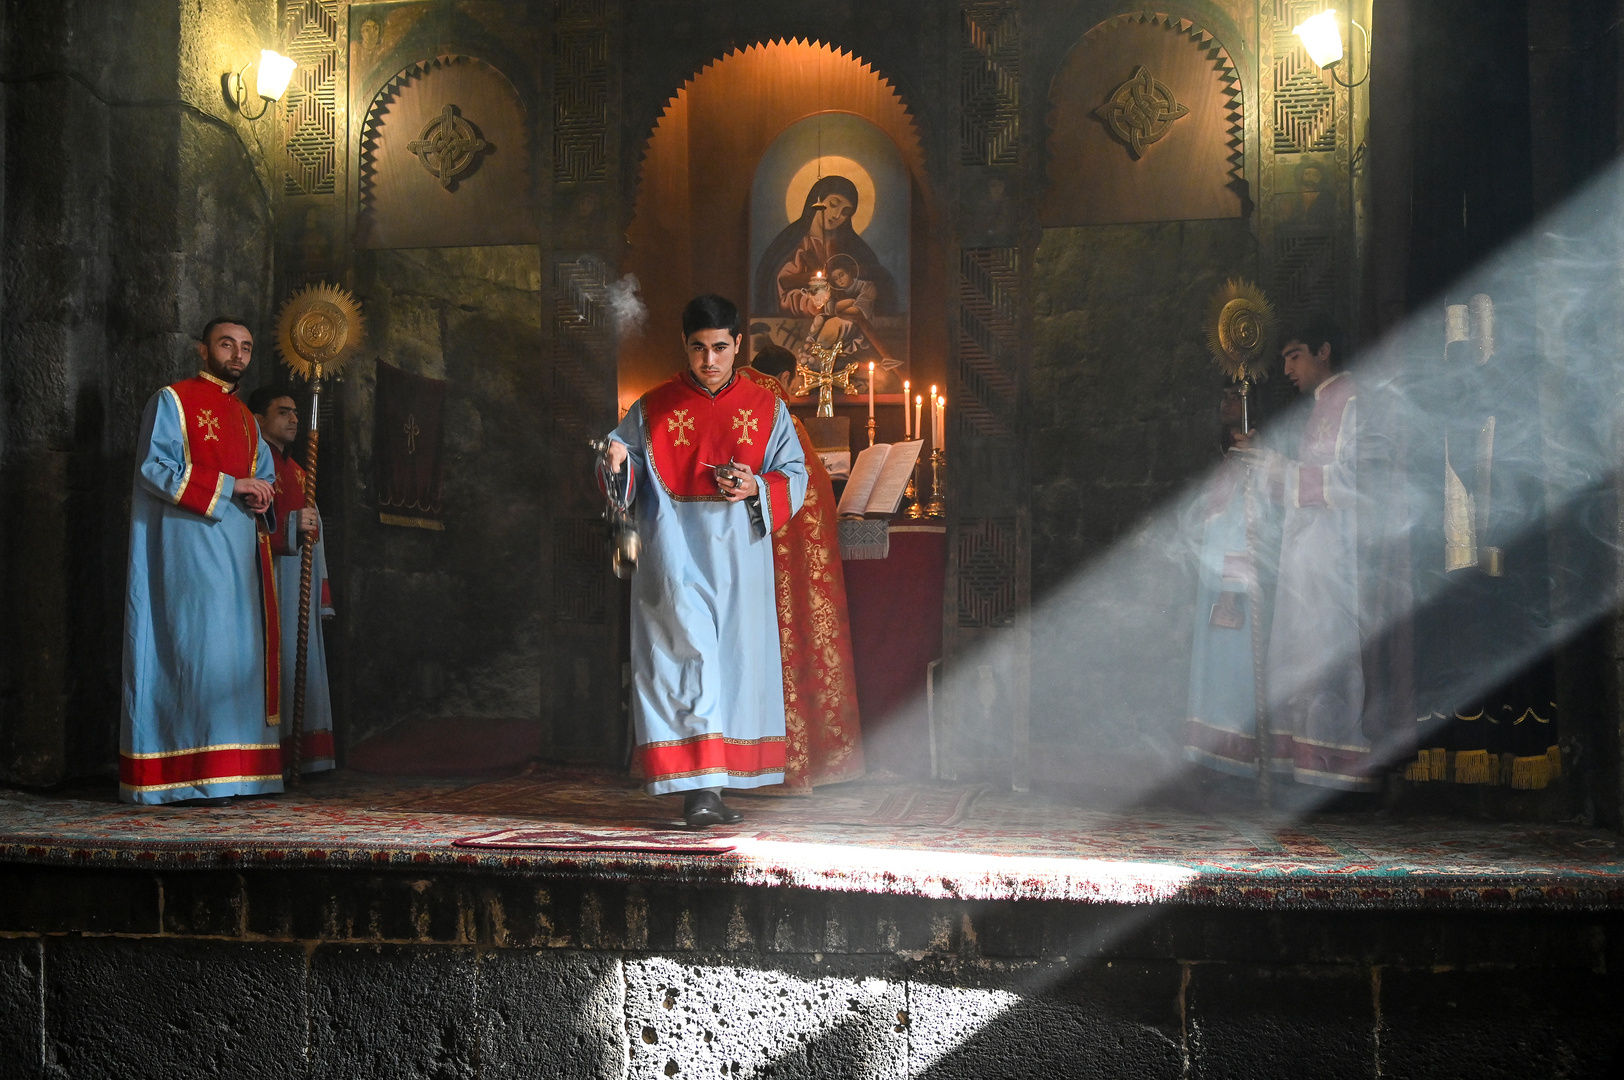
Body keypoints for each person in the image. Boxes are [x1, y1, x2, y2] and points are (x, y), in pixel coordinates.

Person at [601, 295, 809, 826]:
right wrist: (618, 461)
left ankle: (717, 786)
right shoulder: (651, 407)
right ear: (685, 347)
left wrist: (757, 484)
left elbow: (796, 472)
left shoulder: (768, 406)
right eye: (698, 349)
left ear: (739, 344)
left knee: (733, 667)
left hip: (740, 556)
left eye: (720, 348)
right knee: (686, 661)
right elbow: (621, 480)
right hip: (674, 554)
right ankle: (700, 792)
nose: (710, 360)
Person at [121, 317, 283, 805]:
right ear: (202, 349)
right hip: (189, 549)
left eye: (246, 348)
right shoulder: (173, 400)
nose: (238, 355)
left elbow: (265, 479)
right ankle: (183, 770)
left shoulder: (249, 420)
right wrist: (234, 486)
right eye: (227, 344)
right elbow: (155, 466)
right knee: (194, 649)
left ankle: (238, 772)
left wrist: (263, 497)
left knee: (237, 659)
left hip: (240, 556)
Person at [1234, 317, 1370, 791]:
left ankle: (1336, 775)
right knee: (1298, 656)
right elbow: (1296, 484)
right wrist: (1264, 466)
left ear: (1324, 350)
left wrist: (1281, 470)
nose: (1288, 368)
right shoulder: (1315, 410)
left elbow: (1356, 484)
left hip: (1337, 555)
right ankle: (1307, 771)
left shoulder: (1352, 400)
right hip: (1304, 555)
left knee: (1328, 656)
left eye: (1295, 355)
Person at [742, 344, 864, 792]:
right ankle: (790, 762)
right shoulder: (784, 421)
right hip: (779, 573)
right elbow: (812, 501)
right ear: (789, 380)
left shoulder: (733, 413)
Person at [1182, 387, 1280, 780]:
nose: (1223, 403)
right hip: (1217, 580)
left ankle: (1235, 768)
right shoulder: (1229, 461)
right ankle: (1212, 763)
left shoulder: (1254, 459)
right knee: (1213, 676)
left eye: (1231, 396)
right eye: (1220, 395)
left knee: (1234, 676)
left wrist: (1231, 588)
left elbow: (1250, 525)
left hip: (1235, 585)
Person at [248, 388, 337, 775]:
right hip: (265, 581)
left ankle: (301, 757)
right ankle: (270, 760)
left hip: (296, 582)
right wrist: (288, 526)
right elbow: (244, 526)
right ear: (258, 419)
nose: (294, 419)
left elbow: (315, 538)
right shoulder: (251, 467)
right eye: (283, 412)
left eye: (297, 413)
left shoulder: (302, 473)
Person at [753, 175, 897, 320]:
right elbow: (778, 289)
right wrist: (818, 304)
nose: (836, 215)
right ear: (819, 199)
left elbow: (878, 280)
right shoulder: (790, 242)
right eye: (834, 204)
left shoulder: (853, 246)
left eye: (845, 212)